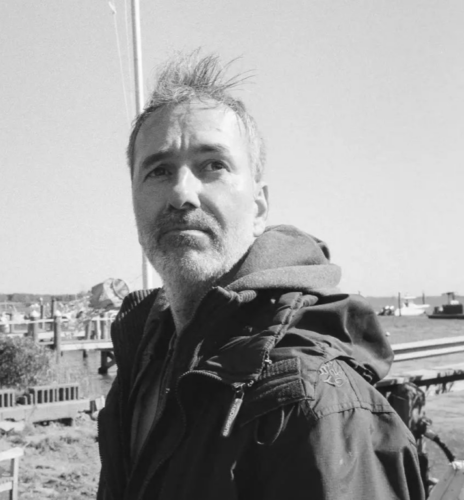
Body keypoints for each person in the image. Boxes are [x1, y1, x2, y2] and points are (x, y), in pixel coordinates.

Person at [97, 52, 424, 500]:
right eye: (158, 171)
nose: (181, 194)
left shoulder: (312, 401)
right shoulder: (143, 354)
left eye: (213, 165)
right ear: (133, 200)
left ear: (259, 207)